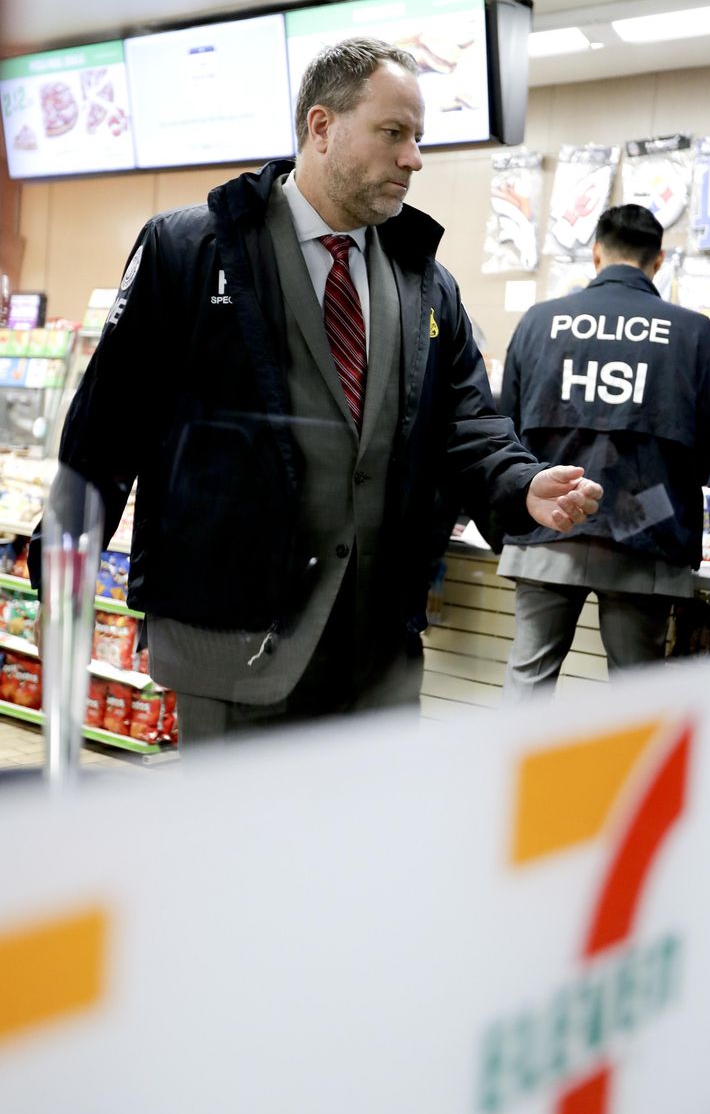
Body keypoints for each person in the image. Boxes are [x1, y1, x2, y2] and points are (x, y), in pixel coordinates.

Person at [28, 37, 602, 744]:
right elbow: (106, 429)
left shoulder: (425, 282)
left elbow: (468, 423)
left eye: (418, 138)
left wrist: (522, 482)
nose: (414, 159)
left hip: (377, 657)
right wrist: (61, 574)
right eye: (393, 133)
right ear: (322, 126)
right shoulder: (191, 251)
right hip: (233, 640)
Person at [496, 203, 710, 694]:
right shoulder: (691, 332)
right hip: (644, 529)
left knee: (528, 677)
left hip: (549, 523)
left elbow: (504, 428)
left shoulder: (540, 321)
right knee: (635, 694)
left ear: (597, 253)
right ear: (658, 260)